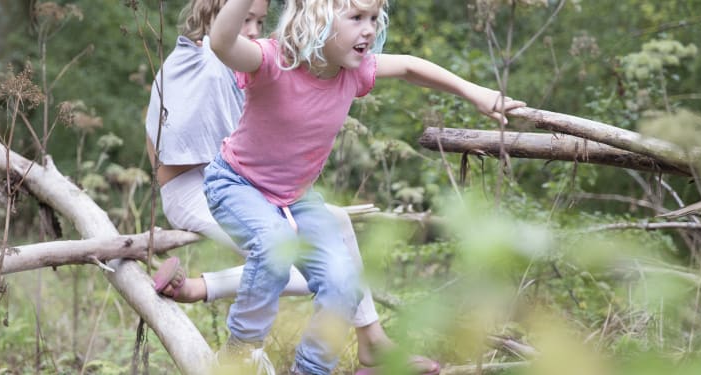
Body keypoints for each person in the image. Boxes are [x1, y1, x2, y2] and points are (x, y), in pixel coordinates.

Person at [201, 0, 526, 373]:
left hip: (296, 199)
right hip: (237, 184)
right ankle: (241, 351)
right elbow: (222, 42)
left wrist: (474, 92)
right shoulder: (274, 62)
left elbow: (408, 66)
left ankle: (311, 369)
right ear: (315, 21)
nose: (369, 29)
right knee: (275, 247)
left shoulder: (353, 72)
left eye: (373, 18)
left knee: (344, 283)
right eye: (356, 18)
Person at [144, 0, 441, 373]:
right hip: (203, 186)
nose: (254, 29)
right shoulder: (203, 61)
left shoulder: (298, 62)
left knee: (337, 242)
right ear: (212, 18)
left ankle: (372, 342)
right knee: (282, 254)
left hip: (265, 188)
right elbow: (177, 140)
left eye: (259, 20)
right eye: (245, 20)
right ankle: (202, 290)